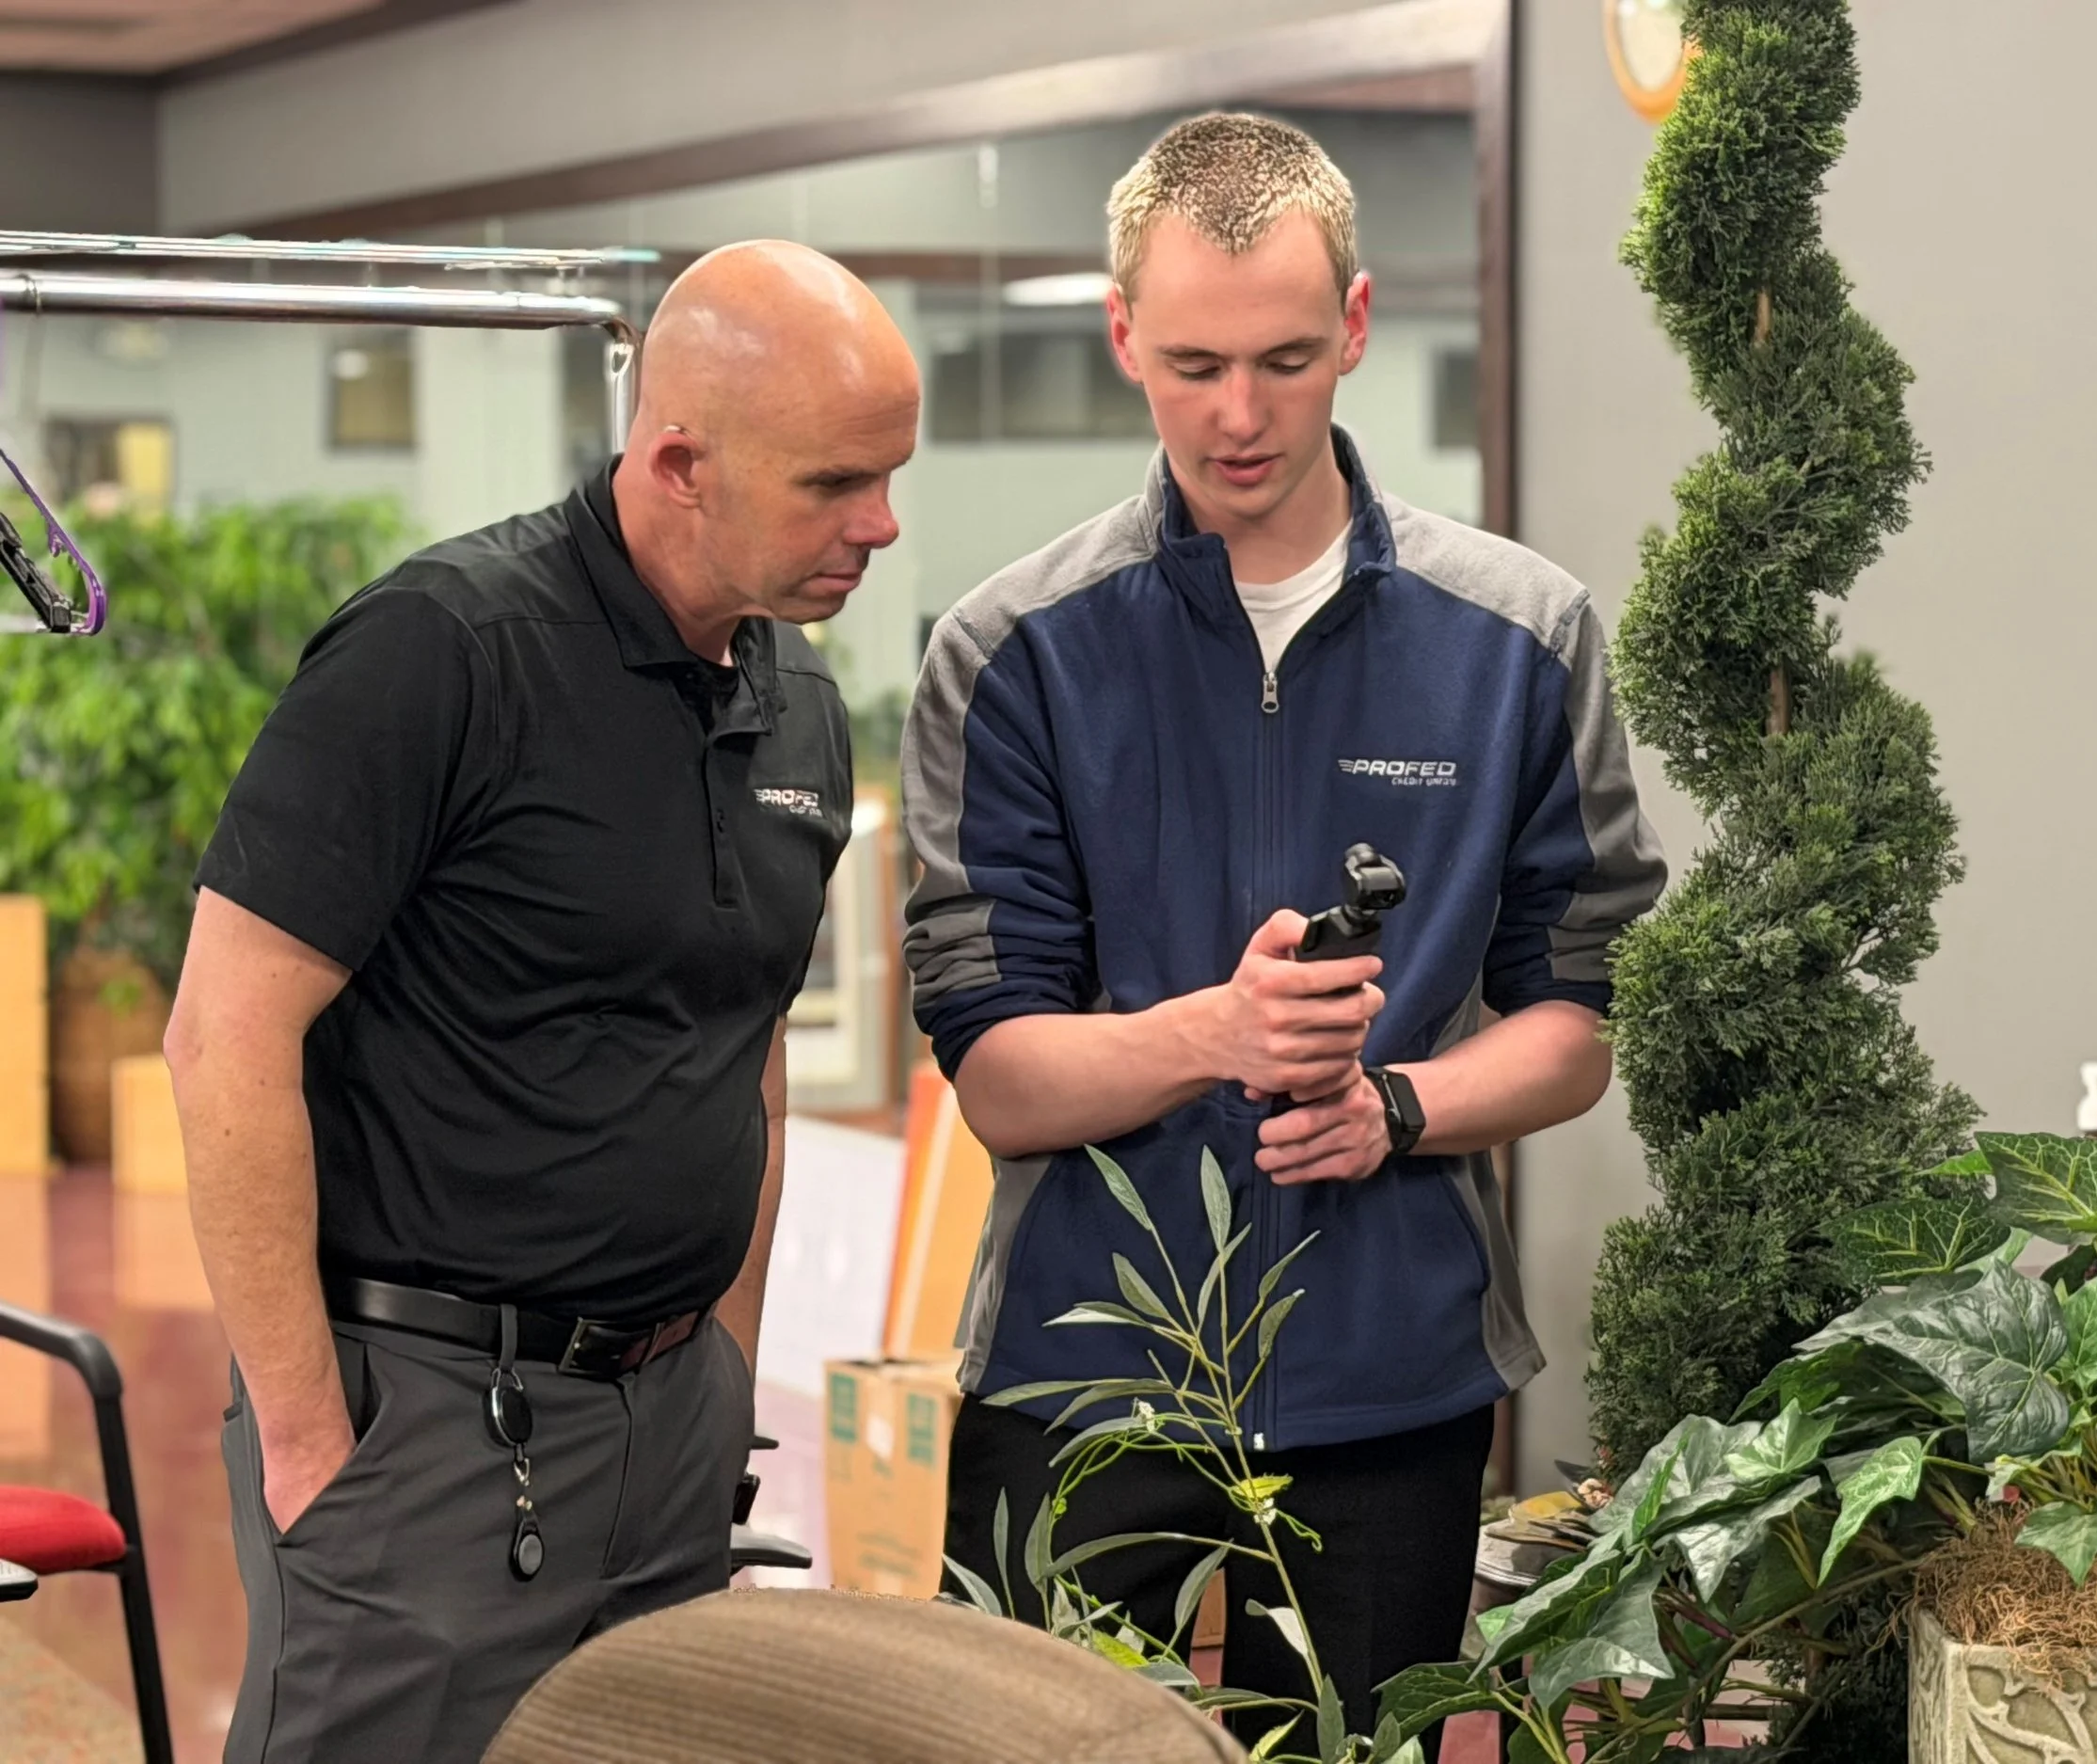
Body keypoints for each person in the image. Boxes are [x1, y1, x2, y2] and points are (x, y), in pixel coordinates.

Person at [901, 113, 1668, 1742]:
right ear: (1122, 333)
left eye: (1285, 360)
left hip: (1391, 1378)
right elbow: (1002, 1080)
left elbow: (1580, 1021)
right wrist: (1216, 1034)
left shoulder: (1521, 639)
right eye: (1192, 365)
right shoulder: (1010, 652)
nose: (1238, 415)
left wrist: (1398, 1105)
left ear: (1359, 325)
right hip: (1079, 1378)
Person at [166, 241, 919, 1764]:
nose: (881, 524)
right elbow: (223, 1033)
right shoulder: (443, 651)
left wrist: (723, 1370)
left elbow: (745, 1053)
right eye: (835, 483)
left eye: (889, 476)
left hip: (669, 1425)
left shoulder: (800, 707)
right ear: (680, 463)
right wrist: (312, 1442)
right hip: (432, 1421)